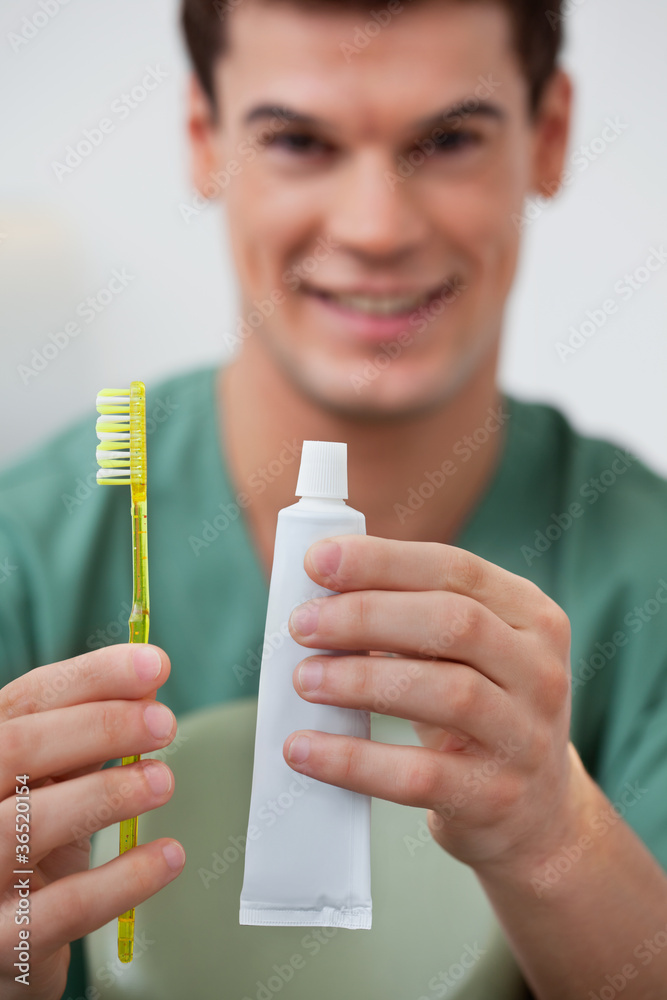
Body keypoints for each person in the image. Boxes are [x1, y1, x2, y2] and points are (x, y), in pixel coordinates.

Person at [1, 0, 666, 997]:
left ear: (549, 134)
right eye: (299, 142)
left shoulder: (645, 577)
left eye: (447, 140)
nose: (375, 228)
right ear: (203, 139)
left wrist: (558, 839)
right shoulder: (23, 561)